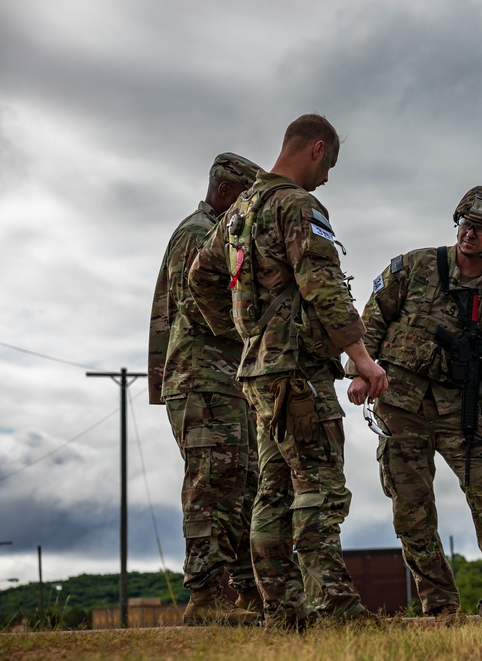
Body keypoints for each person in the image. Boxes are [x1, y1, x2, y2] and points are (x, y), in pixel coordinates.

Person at [188, 114, 388, 630]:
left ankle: (283, 611)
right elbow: (323, 284)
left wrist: (244, 335)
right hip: (297, 372)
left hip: (258, 373)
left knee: (274, 491)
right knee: (320, 485)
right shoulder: (297, 204)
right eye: (330, 165)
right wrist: (362, 359)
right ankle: (338, 610)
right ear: (316, 148)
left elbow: (200, 276)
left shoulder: (239, 211)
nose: (326, 178)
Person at [345, 187, 482, 621]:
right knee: (412, 512)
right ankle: (441, 606)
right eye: (465, 221)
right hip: (399, 405)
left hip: (457, 411)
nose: (469, 232)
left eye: (481, 228)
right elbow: (371, 320)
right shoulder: (415, 265)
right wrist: (358, 370)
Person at [148, 152, 263, 625]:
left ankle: (249, 592)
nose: (252, 214)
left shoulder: (213, 232)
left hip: (221, 381)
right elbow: (198, 308)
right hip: (202, 380)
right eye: (248, 202)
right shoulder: (199, 234)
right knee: (211, 486)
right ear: (226, 192)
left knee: (240, 484)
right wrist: (261, 330)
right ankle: (204, 598)